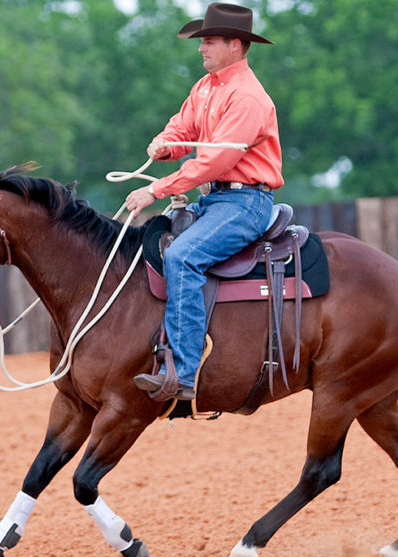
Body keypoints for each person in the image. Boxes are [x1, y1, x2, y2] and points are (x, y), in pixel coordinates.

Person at [125, 2, 283, 400]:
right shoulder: (206, 88)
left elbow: (215, 162)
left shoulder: (248, 98)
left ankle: (184, 372)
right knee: (153, 246)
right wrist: (165, 144)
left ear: (235, 44)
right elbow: (185, 128)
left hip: (246, 204)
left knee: (183, 257)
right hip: (215, 201)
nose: (201, 48)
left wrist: (155, 189)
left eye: (209, 41)